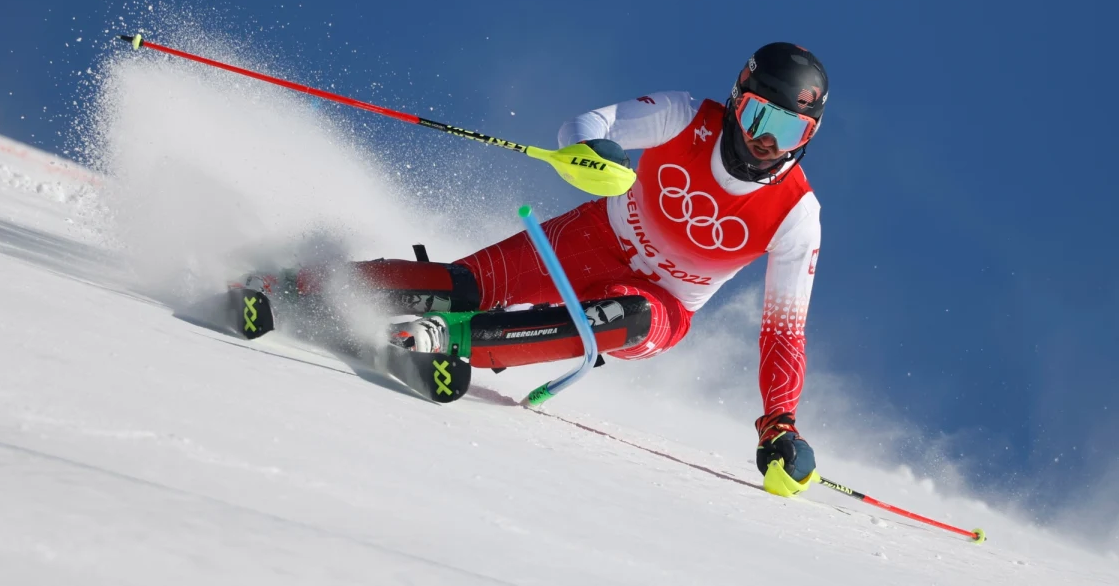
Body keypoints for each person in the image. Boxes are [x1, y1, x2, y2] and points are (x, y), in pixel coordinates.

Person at [264, 42, 827, 495]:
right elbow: (588, 124)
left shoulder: (797, 216)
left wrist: (779, 422)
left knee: (624, 318)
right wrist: (593, 153)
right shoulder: (684, 117)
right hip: (591, 238)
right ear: (736, 99)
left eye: (789, 132)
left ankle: (449, 342)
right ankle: (293, 283)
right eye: (757, 116)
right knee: (460, 286)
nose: (764, 142)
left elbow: (784, 332)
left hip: (665, 306)